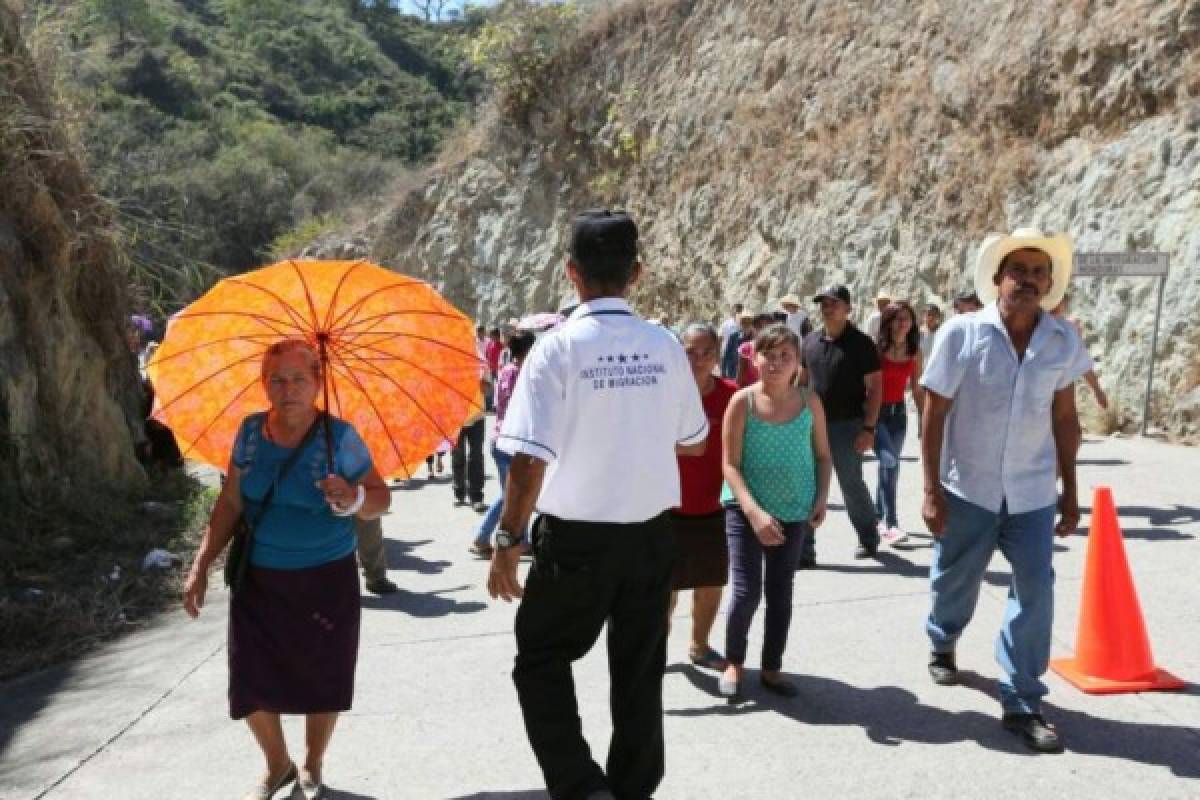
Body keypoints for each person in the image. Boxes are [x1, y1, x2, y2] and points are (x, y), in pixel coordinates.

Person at [487, 209, 708, 800]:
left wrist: (507, 541)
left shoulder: (556, 349)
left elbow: (529, 460)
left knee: (539, 658)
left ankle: (582, 785)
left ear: (571, 273)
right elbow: (694, 439)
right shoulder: (663, 346)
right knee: (638, 672)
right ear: (636, 273)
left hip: (577, 540)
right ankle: (633, 790)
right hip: (651, 536)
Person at [182, 339, 390, 799]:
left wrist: (351, 497)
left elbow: (380, 498)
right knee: (250, 677)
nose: (287, 388)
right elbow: (232, 500)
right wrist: (201, 563)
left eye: (299, 378)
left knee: (324, 674)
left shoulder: (341, 438)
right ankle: (278, 765)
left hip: (325, 577)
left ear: (318, 383)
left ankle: (313, 762)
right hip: (259, 577)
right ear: (263, 384)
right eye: (277, 379)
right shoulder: (250, 434)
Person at [921, 228, 1090, 753]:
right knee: (956, 579)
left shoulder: (1062, 341)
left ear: (1049, 283)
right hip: (969, 488)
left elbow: (1066, 418)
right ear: (998, 279)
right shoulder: (962, 334)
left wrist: (1070, 489)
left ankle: (1021, 698)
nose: (1029, 279)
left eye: (1040, 272)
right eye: (1019, 270)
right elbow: (934, 412)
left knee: (1036, 589)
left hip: (1033, 494)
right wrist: (930, 488)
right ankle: (943, 639)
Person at [719, 324, 831, 698]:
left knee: (781, 592)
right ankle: (733, 661)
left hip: (795, 509)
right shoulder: (742, 402)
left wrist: (820, 498)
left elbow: (823, 456)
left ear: (798, 362)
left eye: (786, 355)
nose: (776, 362)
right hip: (746, 508)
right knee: (747, 590)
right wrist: (753, 512)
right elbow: (730, 465)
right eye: (769, 354)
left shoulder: (809, 402)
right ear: (755, 357)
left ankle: (771, 668)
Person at [670, 323, 738, 673]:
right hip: (666, 506)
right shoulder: (663, 393)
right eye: (689, 352)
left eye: (706, 352)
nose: (697, 360)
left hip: (715, 507)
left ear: (717, 353)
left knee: (711, 581)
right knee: (663, 588)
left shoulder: (732, 395)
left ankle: (700, 645)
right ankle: (654, 647)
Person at [800, 285, 882, 563]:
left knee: (851, 484)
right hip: (811, 425)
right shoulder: (809, 342)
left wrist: (868, 428)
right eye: (823, 303)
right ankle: (805, 549)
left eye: (834, 303)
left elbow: (875, 390)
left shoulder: (862, 344)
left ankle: (869, 538)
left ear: (848, 309)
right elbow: (801, 382)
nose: (827, 307)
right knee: (808, 485)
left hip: (848, 426)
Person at [470, 329, 537, 557]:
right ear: (529, 349)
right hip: (516, 442)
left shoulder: (506, 371)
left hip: (500, 439)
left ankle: (523, 541)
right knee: (514, 493)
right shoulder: (524, 374)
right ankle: (482, 536)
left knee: (516, 492)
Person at [873, 301, 924, 546]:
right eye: (897, 318)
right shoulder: (877, 350)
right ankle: (891, 523)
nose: (903, 323)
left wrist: (926, 417)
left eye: (907, 318)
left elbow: (916, 387)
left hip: (899, 415)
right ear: (889, 322)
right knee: (890, 463)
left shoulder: (914, 350)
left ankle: (875, 518)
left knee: (888, 466)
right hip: (876, 413)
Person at [1051, 296, 1108, 410]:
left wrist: (1098, 392)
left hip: (1059, 397)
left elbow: (1083, 363)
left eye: (1060, 301)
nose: (1056, 305)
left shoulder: (1068, 331)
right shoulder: (1026, 326)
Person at [735, 313, 776, 388]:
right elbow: (740, 374)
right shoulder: (746, 348)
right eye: (759, 326)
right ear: (753, 328)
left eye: (767, 327)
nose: (763, 330)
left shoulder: (778, 347)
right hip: (750, 392)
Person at [721, 311, 754, 379]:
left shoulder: (756, 337)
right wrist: (723, 371)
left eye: (748, 322)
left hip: (750, 373)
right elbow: (726, 354)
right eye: (743, 322)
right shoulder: (734, 336)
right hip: (734, 372)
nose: (746, 324)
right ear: (740, 323)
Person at [717, 302, 743, 373]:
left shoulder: (744, 324)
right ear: (732, 311)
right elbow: (719, 340)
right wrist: (718, 355)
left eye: (739, 310)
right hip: (726, 354)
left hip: (740, 356)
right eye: (736, 310)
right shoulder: (726, 324)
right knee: (725, 375)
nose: (737, 312)